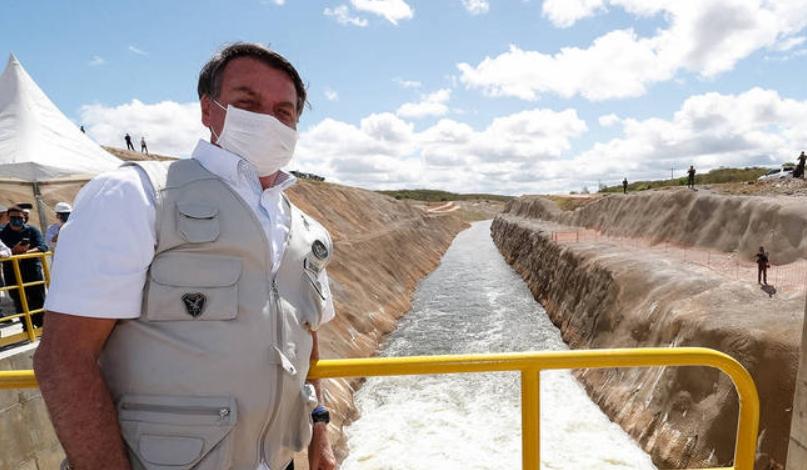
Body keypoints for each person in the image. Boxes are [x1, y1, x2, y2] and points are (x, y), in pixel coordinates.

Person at [35, 42, 337, 470]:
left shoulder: (307, 232)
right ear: (208, 110)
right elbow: (63, 358)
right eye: (247, 103)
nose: (267, 120)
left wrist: (320, 441)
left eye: (283, 112)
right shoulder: (136, 196)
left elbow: (309, 346)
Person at [0, 206, 48, 331]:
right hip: (12, 272)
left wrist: (27, 252)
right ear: (8, 218)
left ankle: (41, 325)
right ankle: (27, 326)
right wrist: (13, 251)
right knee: (19, 300)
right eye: (13, 218)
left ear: (24, 218)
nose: (16, 220)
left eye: (19, 218)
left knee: (38, 298)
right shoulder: (2, 233)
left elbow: (43, 246)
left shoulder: (32, 230)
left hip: (32, 270)